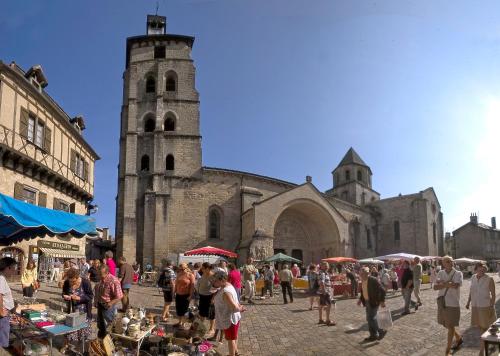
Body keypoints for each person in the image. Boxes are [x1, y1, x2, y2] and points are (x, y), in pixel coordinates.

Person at [434, 255, 463, 355]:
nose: (450, 262)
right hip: (442, 302)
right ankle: (458, 338)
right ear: (443, 263)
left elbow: (456, 285)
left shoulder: (458, 273)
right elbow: (435, 287)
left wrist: (443, 284)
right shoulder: (440, 272)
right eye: (447, 261)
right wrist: (447, 283)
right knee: (446, 324)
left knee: (450, 326)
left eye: (451, 261)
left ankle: (447, 350)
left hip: (453, 303)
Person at [466, 262, 496, 356]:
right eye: (480, 269)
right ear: (476, 269)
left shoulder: (489, 279)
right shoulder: (473, 277)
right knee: (480, 326)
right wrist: (468, 302)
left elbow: (494, 295)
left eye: (483, 270)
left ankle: (482, 350)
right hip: (475, 306)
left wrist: (491, 307)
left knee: (485, 327)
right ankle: (489, 342)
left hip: (485, 306)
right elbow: (472, 291)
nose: (482, 271)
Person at [211, 270, 244, 356]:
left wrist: (241, 308)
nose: (213, 282)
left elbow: (234, 307)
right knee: (233, 337)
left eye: (215, 281)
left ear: (222, 280)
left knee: (230, 339)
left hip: (229, 319)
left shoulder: (226, 292)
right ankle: (236, 352)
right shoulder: (227, 285)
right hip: (232, 318)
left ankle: (232, 354)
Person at [62, 267, 93, 348]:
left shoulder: (85, 282)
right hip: (72, 311)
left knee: (82, 331)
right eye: (70, 281)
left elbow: (90, 296)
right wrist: (65, 296)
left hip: (84, 311)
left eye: (73, 281)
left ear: (77, 277)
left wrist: (79, 298)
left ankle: (81, 347)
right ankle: (66, 345)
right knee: (69, 329)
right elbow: (64, 293)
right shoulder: (67, 282)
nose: (71, 283)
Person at [357, 267, 387, 341]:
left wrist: (382, 301)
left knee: (371, 318)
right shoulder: (363, 280)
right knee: (369, 318)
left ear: (367, 273)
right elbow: (363, 291)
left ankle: (381, 331)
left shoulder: (373, 279)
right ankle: (373, 335)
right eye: (360, 273)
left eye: (363, 273)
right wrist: (360, 300)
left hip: (374, 301)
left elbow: (382, 290)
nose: (361, 275)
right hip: (367, 302)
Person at [94, 265, 123, 338]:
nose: (99, 276)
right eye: (98, 274)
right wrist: (96, 301)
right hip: (100, 304)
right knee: (100, 325)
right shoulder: (101, 278)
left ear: (107, 273)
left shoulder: (114, 281)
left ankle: (111, 341)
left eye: (100, 274)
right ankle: (101, 340)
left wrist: (110, 303)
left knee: (110, 325)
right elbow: (98, 291)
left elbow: (119, 296)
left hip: (108, 306)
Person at [0, 257, 16, 347]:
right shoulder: (1, 278)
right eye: (13, 268)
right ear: (7, 267)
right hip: (3, 314)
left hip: (5, 312)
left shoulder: (2, 277)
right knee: (2, 338)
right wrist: (1, 312)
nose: (14, 271)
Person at [174, 263, 195, 329]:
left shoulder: (190, 275)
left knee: (184, 310)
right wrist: (174, 292)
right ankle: (179, 322)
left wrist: (190, 295)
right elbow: (176, 284)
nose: (182, 270)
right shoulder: (179, 274)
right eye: (180, 269)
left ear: (186, 268)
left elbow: (192, 286)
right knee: (178, 309)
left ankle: (183, 324)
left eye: (183, 269)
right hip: (178, 295)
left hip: (186, 295)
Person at [198, 262, 216, 336]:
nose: (201, 269)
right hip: (202, 296)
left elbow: (216, 288)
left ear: (207, 268)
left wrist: (213, 298)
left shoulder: (213, 276)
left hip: (209, 297)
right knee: (202, 313)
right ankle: (201, 327)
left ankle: (212, 329)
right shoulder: (203, 273)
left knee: (211, 314)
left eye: (203, 268)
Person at [318, 261, 335, 325]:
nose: (327, 267)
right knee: (329, 305)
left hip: (323, 291)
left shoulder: (325, 273)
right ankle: (327, 320)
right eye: (325, 266)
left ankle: (320, 319)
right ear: (321, 266)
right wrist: (324, 291)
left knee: (321, 305)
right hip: (325, 291)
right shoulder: (322, 273)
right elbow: (321, 282)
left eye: (327, 265)